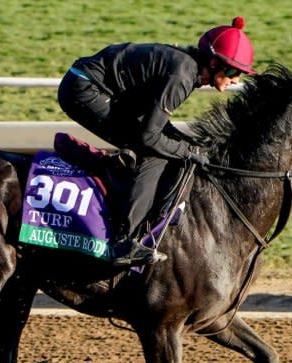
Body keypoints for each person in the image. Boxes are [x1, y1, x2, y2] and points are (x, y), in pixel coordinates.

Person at [57, 17, 257, 266]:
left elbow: (155, 123)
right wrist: (187, 151)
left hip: (98, 86)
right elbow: (149, 137)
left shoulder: (188, 67)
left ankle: (112, 168)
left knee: (167, 144)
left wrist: (187, 145)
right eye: (232, 71)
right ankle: (124, 242)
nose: (236, 79)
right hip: (85, 89)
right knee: (154, 153)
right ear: (214, 62)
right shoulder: (183, 76)